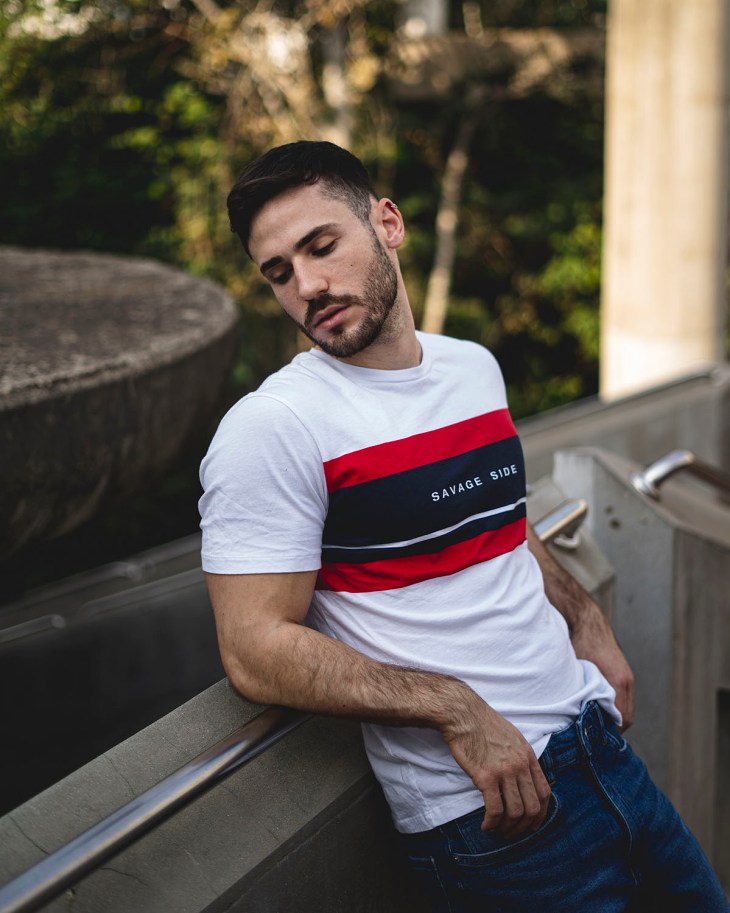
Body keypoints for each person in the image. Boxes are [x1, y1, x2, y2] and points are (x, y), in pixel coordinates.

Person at [199, 140, 729, 912]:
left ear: (387, 224)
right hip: (495, 817)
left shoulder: (471, 368)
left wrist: (584, 617)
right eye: (279, 272)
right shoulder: (274, 427)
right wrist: (457, 707)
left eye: (322, 246)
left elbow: (500, 520)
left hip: (602, 749)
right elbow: (253, 648)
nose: (307, 286)